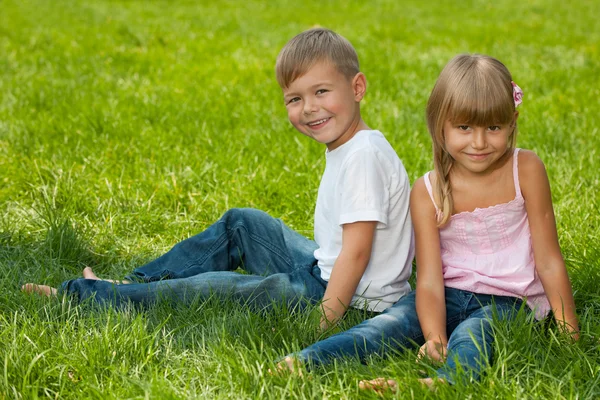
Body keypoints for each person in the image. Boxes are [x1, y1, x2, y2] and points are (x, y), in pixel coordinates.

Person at [22, 28, 414, 331]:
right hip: (327, 271)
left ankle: (94, 298)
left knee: (217, 290)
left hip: (354, 299)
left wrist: (325, 320)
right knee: (241, 223)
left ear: (357, 87)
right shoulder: (352, 145)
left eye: (321, 91)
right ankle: (130, 282)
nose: (309, 108)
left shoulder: (363, 156)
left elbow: (358, 252)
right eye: (294, 99)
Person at [276, 54, 579, 389]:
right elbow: (431, 280)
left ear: (512, 122)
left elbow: (549, 259)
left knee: (474, 335)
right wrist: (434, 337)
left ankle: (442, 383)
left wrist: (568, 329)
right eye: (464, 128)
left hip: (510, 300)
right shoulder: (427, 191)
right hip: (446, 294)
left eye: (493, 128)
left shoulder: (527, 169)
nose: (479, 142)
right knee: (389, 324)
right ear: (441, 126)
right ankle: (306, 361)